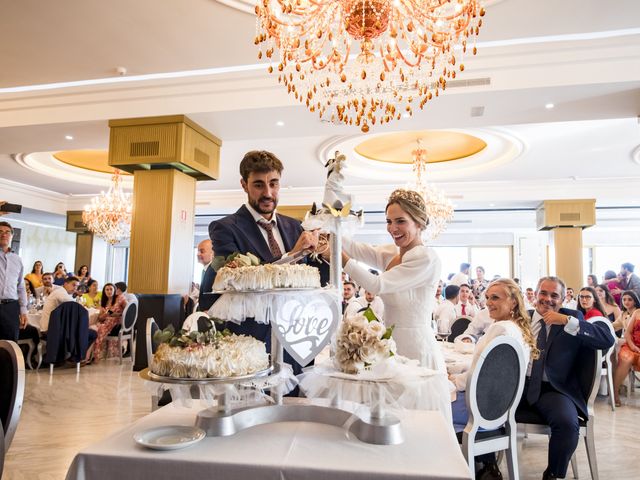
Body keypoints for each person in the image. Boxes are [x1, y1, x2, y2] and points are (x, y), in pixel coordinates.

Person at [208, 150, 321, 377]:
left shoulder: (295, 226)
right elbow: (239, 280)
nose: (268, 193)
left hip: (295, 338)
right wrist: (293, 253)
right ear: (244, 184)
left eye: (274, 183)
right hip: (249, 340)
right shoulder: (224, 228)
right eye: (258, 185)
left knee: (293, 408)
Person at [330, 189, 445, 372]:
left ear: (419, 224)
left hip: (416, 347)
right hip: (390, 345)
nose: (392, 228)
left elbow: (376, 285)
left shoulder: (426, 258)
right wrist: (329, 230)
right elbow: (354, 249)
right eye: (389, 221)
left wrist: (336, 256)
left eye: (401, 221)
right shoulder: (392, 253)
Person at [515, 276, 615, 480]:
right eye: (543, 293)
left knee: (568, 425)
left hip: (552, 389)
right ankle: (488, 468)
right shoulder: (522, 318)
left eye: (554, 295)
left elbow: (606, 339)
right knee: (482, 407)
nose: (548, 299)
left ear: (562, 299)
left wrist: (568, 321)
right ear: (535, 294)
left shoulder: (571, 317)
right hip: (518, 386)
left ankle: (553, 474)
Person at [451, 278, 539, 480]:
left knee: (433, 405)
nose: (489, 302)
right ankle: (485, 465)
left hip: (478, 409)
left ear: (513, 302)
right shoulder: (517, 329)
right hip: (499, 408)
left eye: (496, 298)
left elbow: (480, 375)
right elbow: (489, 369)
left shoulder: (500, 329)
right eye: (488, 297)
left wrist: (455, 380)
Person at [0, 221, 28, 341]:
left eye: (7, 232)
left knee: (10, 344)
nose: (3, 234)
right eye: (0, 232)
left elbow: (21, 287)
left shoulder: (17, 260)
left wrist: (23, 310)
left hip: (11, 307)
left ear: (12, 236)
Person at [92, 283, 127, 363]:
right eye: (107, 290)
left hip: (117, 323)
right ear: (104, 291)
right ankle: (92, 356)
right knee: (93, 328)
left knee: (99, 329)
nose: (109, 291)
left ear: (115, 290)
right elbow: (100, 318)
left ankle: (96, 355)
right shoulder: (104, 302)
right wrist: (105, 314)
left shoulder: (120, 298)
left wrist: (115, 314)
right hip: (106, 322)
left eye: (111, 289)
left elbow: (128, 311)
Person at [613, 307, 640, 407]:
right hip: (631, 344)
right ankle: (615, 394)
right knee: (625, 359)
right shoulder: (637, 312)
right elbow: (627, 333)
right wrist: (633, 346)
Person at [195, 239, 216, 312]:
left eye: (202, 251)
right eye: (198, 251)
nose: (198, 254)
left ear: (212, 253)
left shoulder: (214, 270)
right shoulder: (206, 270)